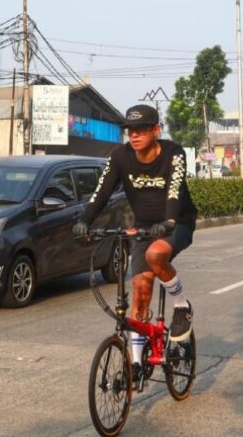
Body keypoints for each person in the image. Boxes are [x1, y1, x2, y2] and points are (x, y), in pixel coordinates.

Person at [72, 104, 198, 373]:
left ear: (156, 130)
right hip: (143, 227)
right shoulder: (120, 156)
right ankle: (138, 362)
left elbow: (174, 188)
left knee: (156, 256)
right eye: (130, 130)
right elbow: (102, 191)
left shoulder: (173, 153)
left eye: (141, 130)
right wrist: (84, 220)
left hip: (177, 223)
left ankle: (181, 306)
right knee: (140, 293)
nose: (134, 135)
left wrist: (170, 221)